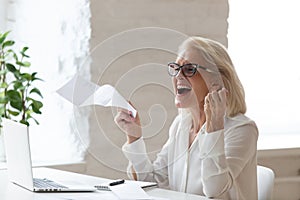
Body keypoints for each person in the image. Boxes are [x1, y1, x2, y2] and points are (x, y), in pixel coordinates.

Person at [114, 36, 258, 199]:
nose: (178, 76)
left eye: (189, 69)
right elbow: (152, 183)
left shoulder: (242, 129)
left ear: (218, 80)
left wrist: (214, 128)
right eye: (176, 68)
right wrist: (134, 137)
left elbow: (214, 190)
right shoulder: (181, 125)